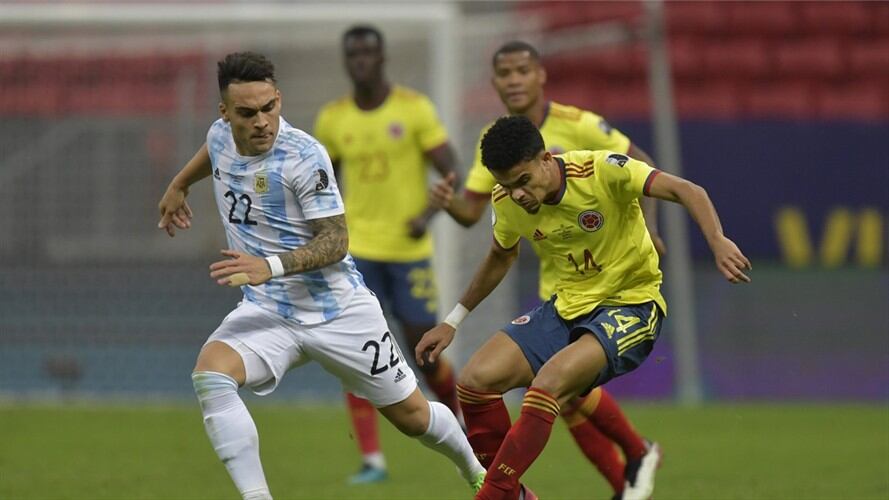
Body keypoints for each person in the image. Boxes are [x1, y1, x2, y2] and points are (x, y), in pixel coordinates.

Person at [156, 51, 485, 500]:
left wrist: (269, 266)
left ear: (279, 98)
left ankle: (477, 472)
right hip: (270, 312)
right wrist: (179, 184)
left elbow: (336, 241)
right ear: (225, 113)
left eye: (269, 108)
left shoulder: (304, 156)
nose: (262, 122)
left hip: (338, 312)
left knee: (413, 418)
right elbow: (213, 150)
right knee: (211, 374)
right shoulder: (219, 135)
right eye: (247, 113)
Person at [416, 115, 751, 500]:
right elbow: (500, 255)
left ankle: (494, 493)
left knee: (548, 386)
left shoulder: (600, 171)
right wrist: (453, 320)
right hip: (567, 306)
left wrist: (718, 240)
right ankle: (515, 495)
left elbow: (687, 189)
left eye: (523, 181)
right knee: (475, 381)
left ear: (546, 159)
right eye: (507, 186)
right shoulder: (506, 200)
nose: (518, 194)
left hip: (631, 304)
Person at [430, 41, 665, 498]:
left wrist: (650, 227)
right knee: (563, 396)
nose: (514, 80)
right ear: (495, 83)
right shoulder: (496, 145)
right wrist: (448, 204)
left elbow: (640, 167)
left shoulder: (578, 126)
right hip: (561, 288)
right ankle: (633, 462)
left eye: (522, 70)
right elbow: (476, 213)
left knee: (559, 391)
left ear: (540, 75)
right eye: (504, 73)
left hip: (612, 284)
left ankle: (629, 461)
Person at [312, 24, 464, 484]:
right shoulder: (333, 119)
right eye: (353, 54)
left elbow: (452, 169)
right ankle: (372, 460)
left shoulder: (414, 109)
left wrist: (429, 213)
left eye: (368, 53)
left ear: (382, 58)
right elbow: (320, 184)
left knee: (425, 351)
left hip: (408, 250)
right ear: (346, 61)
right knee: (354, 351)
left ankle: (463, 421)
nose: (361, 60)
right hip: (356, 253)